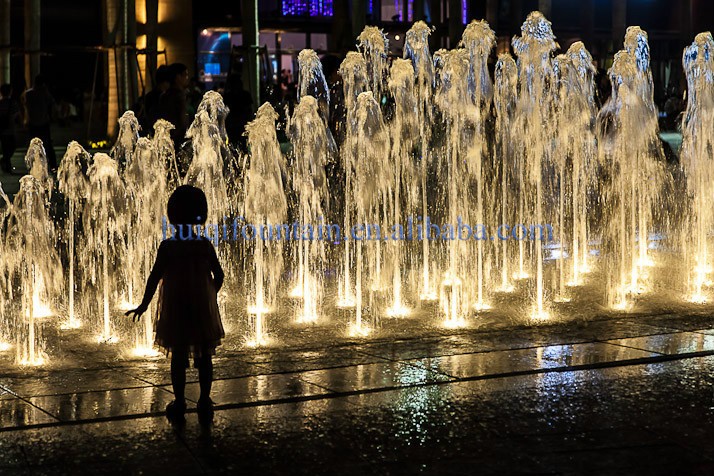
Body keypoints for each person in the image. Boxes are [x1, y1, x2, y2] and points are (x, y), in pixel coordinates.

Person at [125, 185, 225, 423]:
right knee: (204, 357)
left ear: (172, 215)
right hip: (201, 309)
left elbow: (154, 277)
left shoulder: (168, 246)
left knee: (178, 357)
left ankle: (180, 400)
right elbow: (219, 275)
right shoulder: (204, 245)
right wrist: (209, 293)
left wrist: (144, 304)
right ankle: (204, 400)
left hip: (176, 309)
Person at [22, 75, 57, 170]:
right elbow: (52, 105)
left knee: (32, 145)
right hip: (44, 122)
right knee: (48, 144)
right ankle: (53, 165)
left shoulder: (28, 94)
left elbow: (25, 107)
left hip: (32, 122)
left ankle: (32, 164)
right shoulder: (45, 93)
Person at [158, 63, 190, 148]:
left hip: (167, 138)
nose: (187, 78)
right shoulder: (179, 96)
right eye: (185, 75)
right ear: (178, 77)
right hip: (179, 140)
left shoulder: (164, 95)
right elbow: (183, 120)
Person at [0, 84, 19, 174]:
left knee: (6, 149)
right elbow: (16, 115)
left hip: (3, 130)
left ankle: (5, 163)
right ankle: (7, 165)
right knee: (12, 147)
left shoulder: (1, 103)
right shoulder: (13, 102)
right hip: (10, 129)